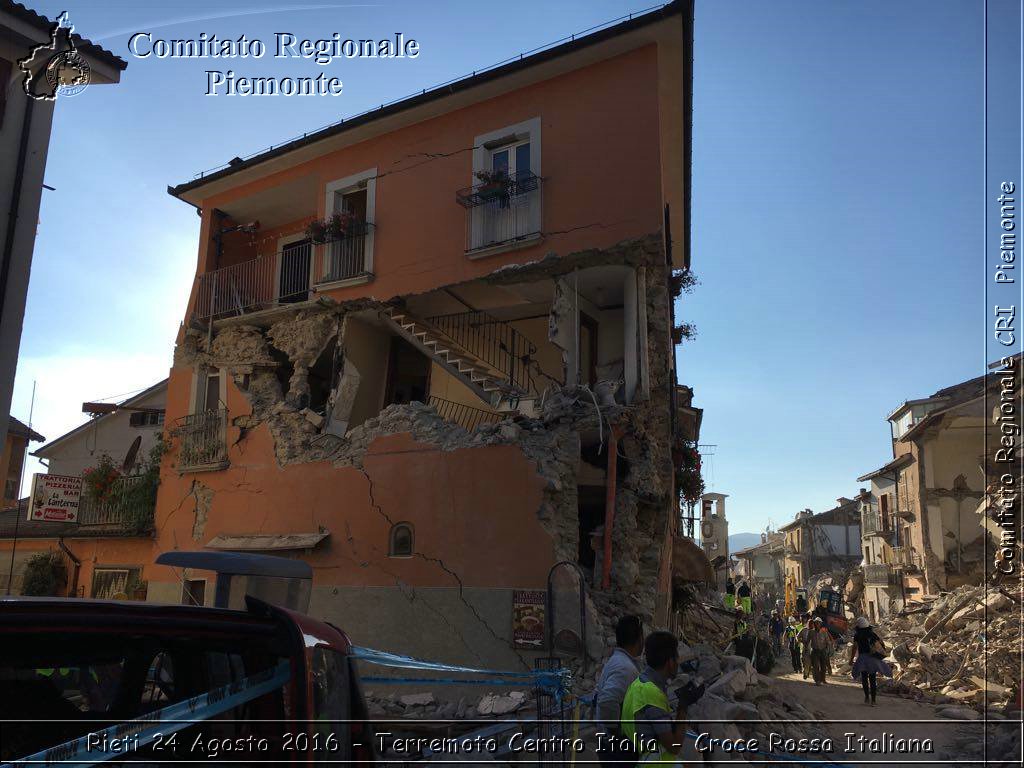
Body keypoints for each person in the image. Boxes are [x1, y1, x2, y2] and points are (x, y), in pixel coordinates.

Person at [620, 631, 705, 766]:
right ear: (670, 662)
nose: (678, 662)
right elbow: (675, 746)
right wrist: (683, 707)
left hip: (636, 755)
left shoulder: (639, 683)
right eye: (676, 658)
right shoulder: (652, 694)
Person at [595, 616, 644, 765]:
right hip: (618, 749)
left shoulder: (620, 661)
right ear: (639, 638)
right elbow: (607, 701)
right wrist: (616, 734)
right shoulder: (625, 668)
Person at [849, 616, 892, 706]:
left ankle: (867, 697)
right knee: (872, 679)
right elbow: (880, 644)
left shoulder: (857, 635)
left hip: (862, 659)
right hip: (873, 659)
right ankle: (873, 700)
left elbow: (854, 647)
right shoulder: (872, 634)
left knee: (864, 678)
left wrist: (851, 659)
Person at [807, 617, 834, 685]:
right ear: (814, 624)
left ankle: (823, 679)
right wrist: (806, 649)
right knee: (816, 666)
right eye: (816, 623)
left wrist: (829, 648)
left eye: (818, 623)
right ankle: (817, 680)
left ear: (820, 624)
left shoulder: (824, 632)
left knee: (823, 666)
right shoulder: (811, 632)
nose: (817, 624)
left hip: (823, 650)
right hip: (815, 651)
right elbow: (807, 641)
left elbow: (828, 641)